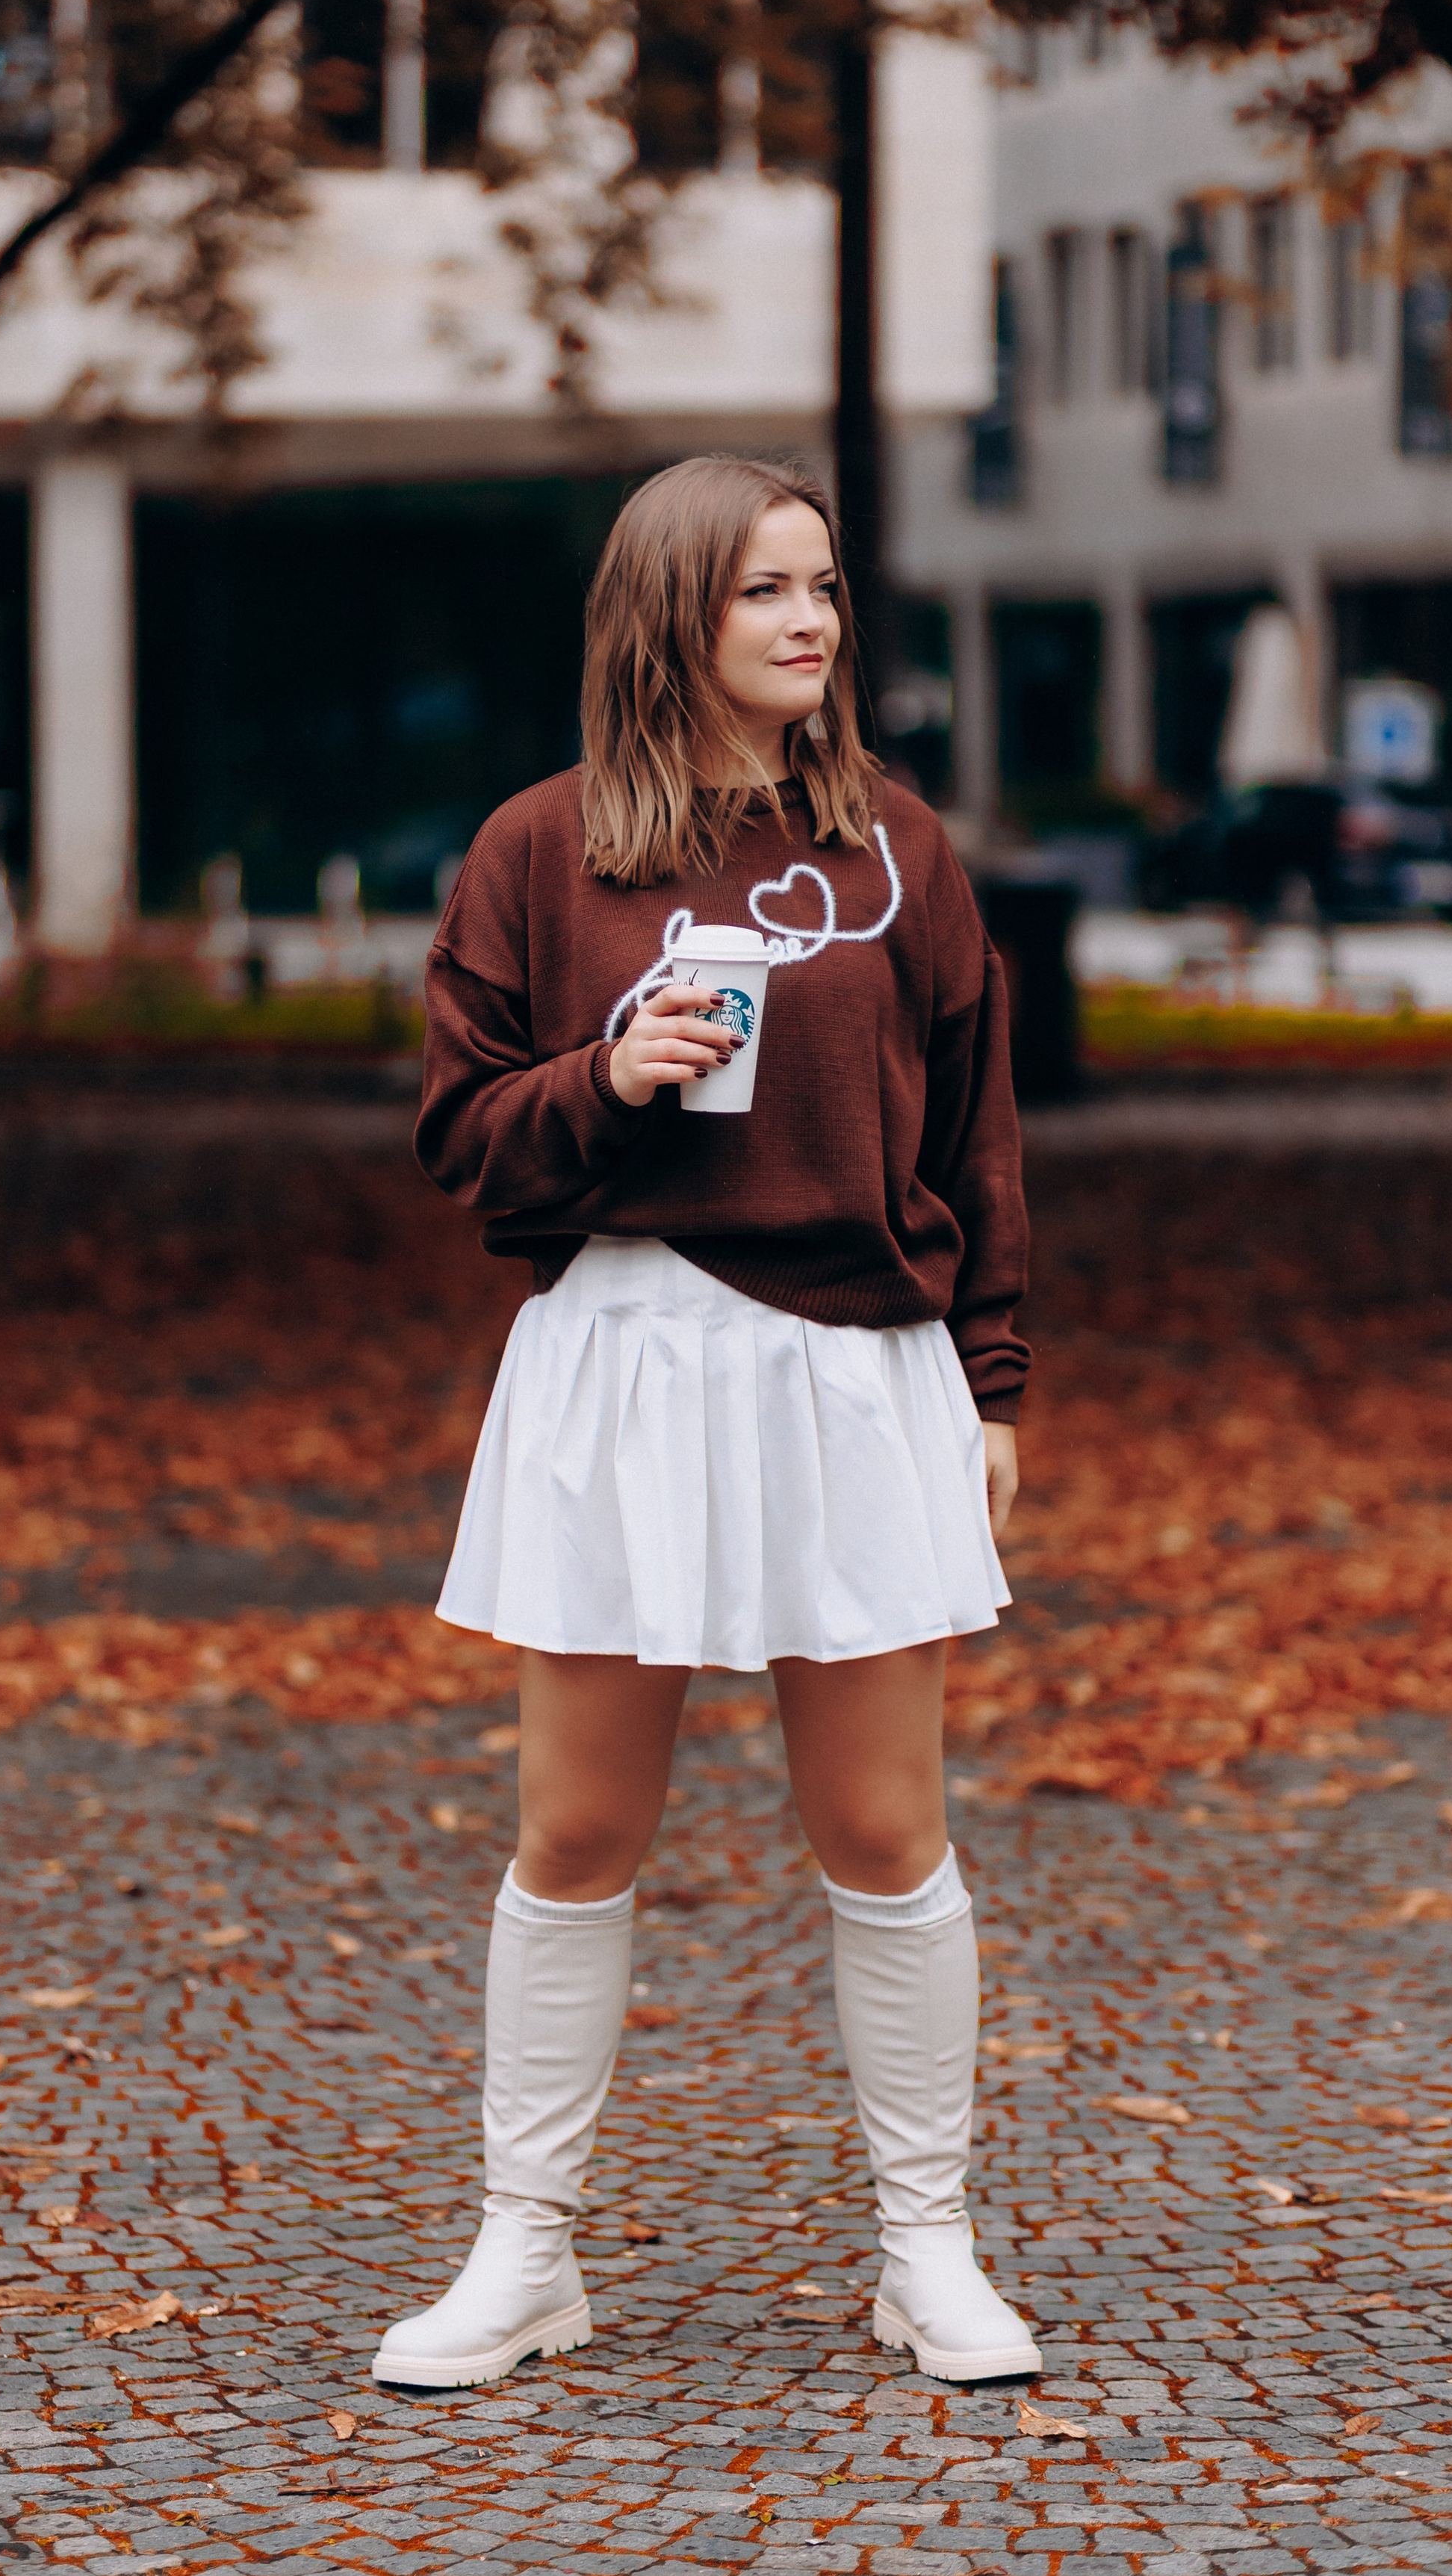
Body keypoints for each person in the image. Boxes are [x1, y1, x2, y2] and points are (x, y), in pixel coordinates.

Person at [379, 456, 1038, 2391]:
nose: (811, 622)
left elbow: (979, 1130)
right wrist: (611, 1072)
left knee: (884, 1824)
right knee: (577, 1827)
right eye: (766, 590)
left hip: (855, 1361)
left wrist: (992, 1374)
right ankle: (527, 2255)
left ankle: (928, 2251)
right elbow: (462, 1134)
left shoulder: (902, 848)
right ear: (675, 612)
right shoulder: (539, 852)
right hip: (627, 1355)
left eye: (822, 586)